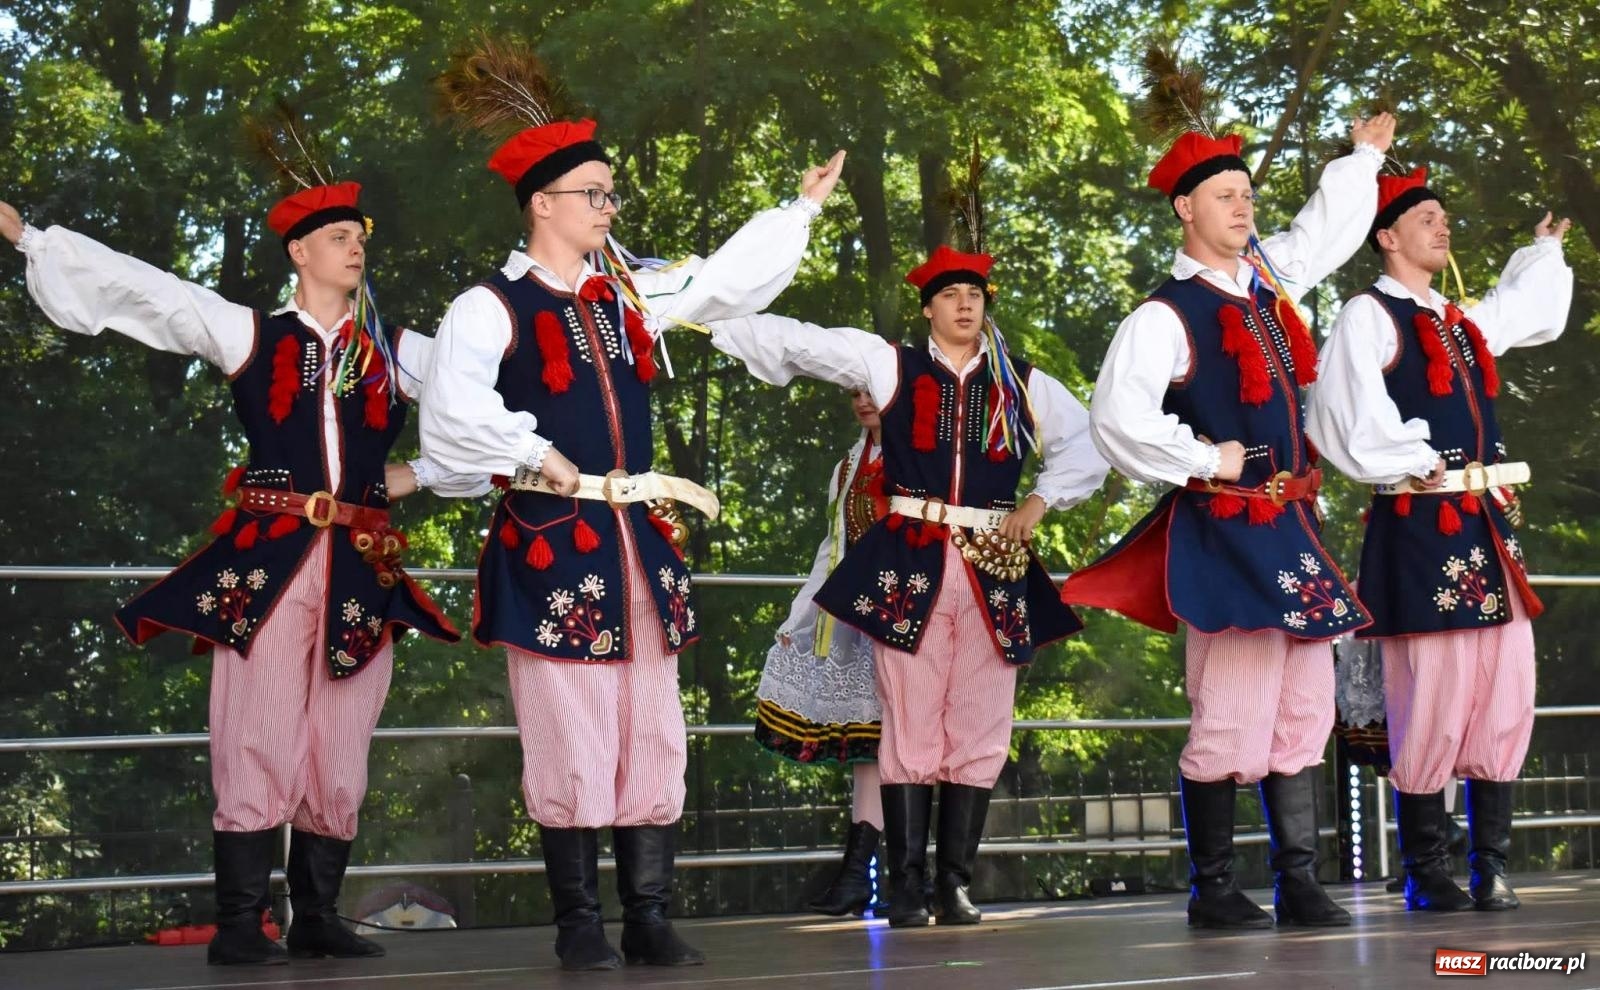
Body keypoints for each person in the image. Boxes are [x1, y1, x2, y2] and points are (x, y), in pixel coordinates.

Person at [420, 35, 846, 971]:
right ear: (544, 203)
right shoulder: (488, 306)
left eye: (613, 194)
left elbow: (719, 282)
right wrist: (533, 450)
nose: (612, 207)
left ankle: (648, 914)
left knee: (651, 726)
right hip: (552, 542)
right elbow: (451, 416)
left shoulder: (632, 298)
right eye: (596, 194)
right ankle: (580, 923)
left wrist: (796, 212)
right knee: (567, 729)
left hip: (637, 546)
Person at [1, 175, 480, 965]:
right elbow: (149, 291)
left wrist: (420, 473)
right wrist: (36, 242)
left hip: (361, 571)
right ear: (299, 251)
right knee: (254, 734)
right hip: (268, 566)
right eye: (338, 238)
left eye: (360, 238)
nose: (356, 247)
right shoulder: (249, 332)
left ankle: (319, 916)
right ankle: (239, 923)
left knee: (341, 743)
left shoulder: (396, 350)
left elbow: (479, 400)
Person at [1061, 112, 1397, 929]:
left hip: (1292, 524)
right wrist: (1207, 458)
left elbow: (1323, 232)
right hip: (1225, 525)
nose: (1243, 206)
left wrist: (1364, 159)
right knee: (1231, 707)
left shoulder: (1271, 281)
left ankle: (1300, 880)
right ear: (1186, 209)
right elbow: (1116, 416)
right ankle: (1212, 888)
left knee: (1304, 705)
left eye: (1248, 193)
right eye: (1224, 194)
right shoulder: (1165, 315)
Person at [710, 244, 1108, 928]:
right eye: (951, 295)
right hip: (912, 561)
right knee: (909, 720)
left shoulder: (1021, 381)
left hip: (992, 561)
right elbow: (802, 344)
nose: (964, 304)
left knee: (982, 721)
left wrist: (1039, 503)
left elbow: (1090, 444)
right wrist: (702, 306)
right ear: (929, 307)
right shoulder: (889, 362)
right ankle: (906, 885)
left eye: (975, 296)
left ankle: (953, 884)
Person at [1305, 165, 1572, 911]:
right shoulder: (1370, 316)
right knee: (1433, 695)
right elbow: (1340, 413)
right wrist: (1415, 457)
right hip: (1421, 526)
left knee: (1506, 690)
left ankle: (1491, 864)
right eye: (1427, 217)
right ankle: (1427, 868)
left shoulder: (1457, 321)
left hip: (1487, 529)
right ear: (1388, 237)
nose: (1442, 226)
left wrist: (1542, 252)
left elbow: (1527, 311)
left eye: (1443, 217)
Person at [754, 390, 888, 917]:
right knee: (871, 751)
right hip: (862, 622)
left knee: (909, 752)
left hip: (912, 618)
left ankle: (910, 875)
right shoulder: (848, 467)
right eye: (853, 391)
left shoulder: (923, 461)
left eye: (873, 388)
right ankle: (859, 876)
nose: (862, 400)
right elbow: (832, 551)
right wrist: (799, 620)